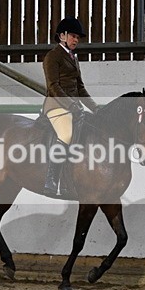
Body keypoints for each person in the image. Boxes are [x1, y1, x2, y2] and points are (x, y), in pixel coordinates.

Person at [41, 17, 99, 196]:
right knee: (66, 135)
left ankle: (70, 178)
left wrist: (95, 108)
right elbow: (53, 86)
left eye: (77, 37)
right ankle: (52, 180)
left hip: (73, 106)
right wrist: (71, 104)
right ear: (62, 36)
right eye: (73, 36)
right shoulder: (52, 56)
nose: (76, 40)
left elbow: (80, 88)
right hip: (56, 105)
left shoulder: (74, 58)